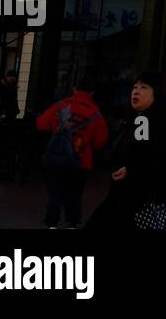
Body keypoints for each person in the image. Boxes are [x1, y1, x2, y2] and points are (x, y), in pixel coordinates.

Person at [88, 71, 166, 230]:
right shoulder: (135, 121)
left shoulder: (160, 123)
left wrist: (132, 170)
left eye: (144, 87)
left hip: (145, 202)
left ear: (157, 93)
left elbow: (165, 161)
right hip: (125, 197)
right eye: (134, 87)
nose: (136, 91)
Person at [35, 78, 109, 229]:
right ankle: (72, 223)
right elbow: (101, 141)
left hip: (56, 157)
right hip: (80, 160)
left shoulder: (61, 105)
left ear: (75, 89)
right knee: (75, 194)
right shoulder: (95, 113)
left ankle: (52, 223)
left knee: (55, 193)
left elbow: (41, 124)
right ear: (92, 93)